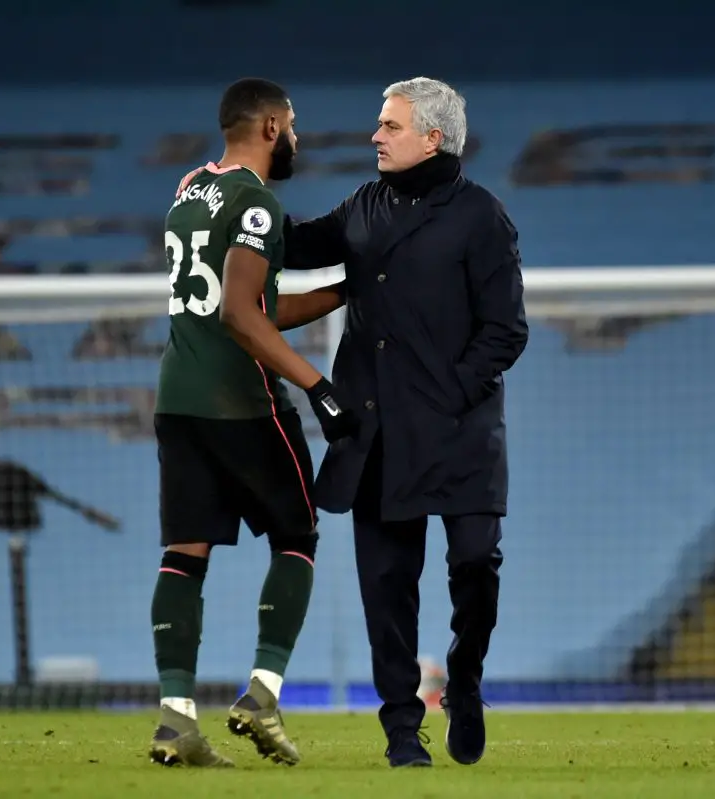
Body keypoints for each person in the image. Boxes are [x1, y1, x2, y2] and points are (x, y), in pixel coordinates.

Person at [283, 77, 529, 768]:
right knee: (387, 588)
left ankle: (466, 677)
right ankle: (400, 731)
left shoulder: (482, 216)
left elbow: (506, 330)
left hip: (458, 431)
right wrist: (231, 205)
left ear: (431, 137)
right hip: (378, 434)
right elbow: (299, 244)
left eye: (389, 126)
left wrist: (449, 392)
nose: (375, 136)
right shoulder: (365, 205)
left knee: (476, 562)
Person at [148, 77, 359, 768]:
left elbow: (248, 303)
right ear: (270, 126)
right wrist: (317, 384)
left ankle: (177, 718)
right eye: (292, 124)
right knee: (297, 534)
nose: (296, 136)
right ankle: (262, 694)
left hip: (177, 398)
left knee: (185, 551)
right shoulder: (258, 205)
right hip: (241, 401)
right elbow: (241, 315)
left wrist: (341, 289)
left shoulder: (190, 189)